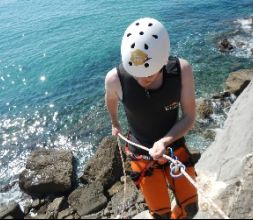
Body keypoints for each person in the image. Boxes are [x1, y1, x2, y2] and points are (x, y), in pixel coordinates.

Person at [105, 17, 198, 219]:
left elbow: (189, 117)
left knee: (190, 209)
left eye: (150, 74)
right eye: (136, 74)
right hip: (141, 152)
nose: (142, 79)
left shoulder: (181, 71)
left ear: (163, 60)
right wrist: (115, 122)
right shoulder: (115, 79)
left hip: (174, 146)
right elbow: (110, 100)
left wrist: (165, 141)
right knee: (160, 214)